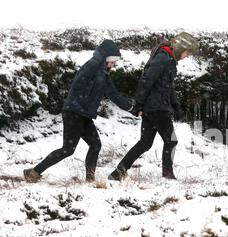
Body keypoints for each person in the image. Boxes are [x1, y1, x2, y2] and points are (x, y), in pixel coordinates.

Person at [23, 39, 135, 183]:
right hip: (74, 112)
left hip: (83, 114)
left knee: (95, 145)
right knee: (68, 149)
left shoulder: (103, 73)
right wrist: (79, 106)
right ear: (107, 58)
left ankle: (90, 180)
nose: (114, 64)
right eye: (113, 61)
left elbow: (114, 95)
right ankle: (34, 172)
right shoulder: (92, 66)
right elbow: (77, 85)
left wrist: (132, 108)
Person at [108, 32, 199, 181]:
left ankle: (118, 172)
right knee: (171, 141)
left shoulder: (169, 59)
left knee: (145, 143)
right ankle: (168, 176)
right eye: (187, 52)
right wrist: (138, 104)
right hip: (157, 107)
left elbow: (168, 87)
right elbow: (147, 80)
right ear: (180, 47)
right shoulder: (163, 57)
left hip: (155, 106)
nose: (187, 56)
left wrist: (175, 106)